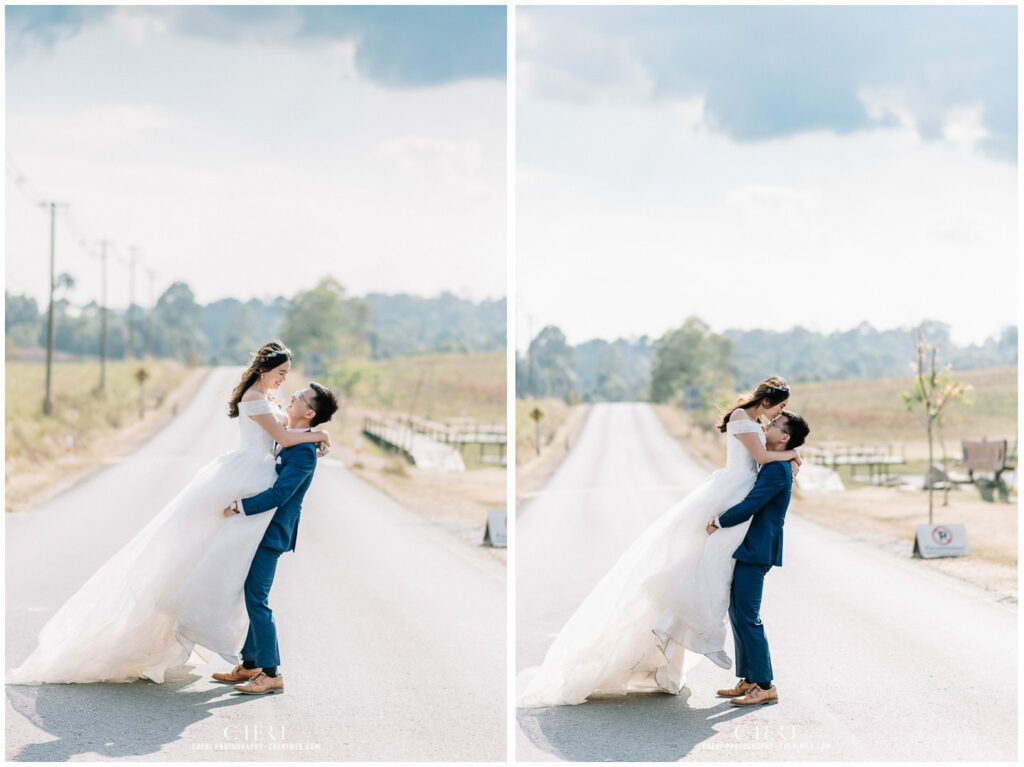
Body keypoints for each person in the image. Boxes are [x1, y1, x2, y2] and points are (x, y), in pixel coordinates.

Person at [7, 342, 332, 685]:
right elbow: (282, 436)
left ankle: (256, 662)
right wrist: (321, 434)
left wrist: (312, 439)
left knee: (239, 578)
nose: (285, 382)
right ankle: (250, 659)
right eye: (281, 374)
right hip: (246, 481)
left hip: (255, 488)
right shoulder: (255, 397)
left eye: (288, 378)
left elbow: (286, 446)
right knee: (219, 567)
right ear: (265, 370)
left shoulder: (271, 405)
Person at [517, 376, 800, 707]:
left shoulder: (760, 432)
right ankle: (746, 673)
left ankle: (753, 675)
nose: (780, 413)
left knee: (733, 597)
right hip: (733, 497)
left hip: (743, 514)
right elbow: (764, 458)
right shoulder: (746, 421)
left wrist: (787, 455)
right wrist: (792, 453)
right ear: (766, 402)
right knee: (721, 587)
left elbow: (765, 471)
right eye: (780, 408)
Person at [211, 382, 339, 695]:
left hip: (273, 532)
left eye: (300, 397)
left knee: (257, 598)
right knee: (252, 592)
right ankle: (251, 663)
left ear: (309, 412)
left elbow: (282, 493)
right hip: (260, 528)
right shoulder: (292, 436)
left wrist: (239, 507)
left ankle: (271, 672)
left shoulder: (305, 452)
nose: (292, 396)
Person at [710, 409, 810, 707]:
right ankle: (750, 677)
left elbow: (753, 503)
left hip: (758, 548)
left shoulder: (778, 470)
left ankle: (765, 684)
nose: (767, 425)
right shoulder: (777, 461)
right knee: (737, 610)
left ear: (784, 437)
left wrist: (719, 521)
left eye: (775, 424)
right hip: (751, 545)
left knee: (748, 615)